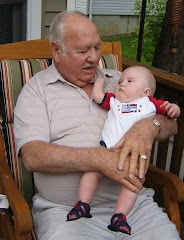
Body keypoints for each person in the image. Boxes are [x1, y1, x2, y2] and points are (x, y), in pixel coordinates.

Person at [13, 11, 181, 240]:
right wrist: (101, 160)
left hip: (135, 207)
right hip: (66, 212)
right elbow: (33, 156)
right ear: (56, 50)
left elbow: (171, 125)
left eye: (96, 47)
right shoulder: (36, 91)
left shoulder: (121, 81)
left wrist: (149, 126)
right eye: (83, 51)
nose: (94, 58)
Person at [67, 65, 180, 235]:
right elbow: (98, 96)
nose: (121, 84)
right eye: (120, 81)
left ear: (145, 92)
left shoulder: (150, 104)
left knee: (132, 183)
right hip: (106, 151)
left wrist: (174, 109)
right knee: (90, 173)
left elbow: (172, 117)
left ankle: (119, 216)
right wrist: (99, 82)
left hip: (132, 156)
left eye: (129, 81)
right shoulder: (114, 101)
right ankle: (83, 204)